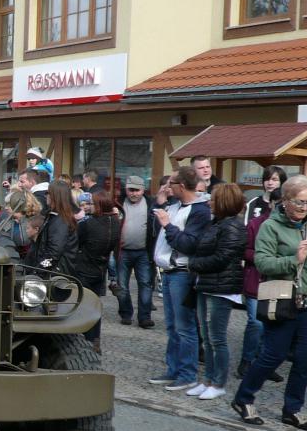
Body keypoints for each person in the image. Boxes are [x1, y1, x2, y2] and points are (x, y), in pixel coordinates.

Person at [233, 175, 307, 431]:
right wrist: (295, 259)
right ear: (286, 201)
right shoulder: (271, 227)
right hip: (283, 298)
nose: (304, 207)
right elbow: (263, 263)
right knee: (274, 355)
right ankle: (243, 398)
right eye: (299, 202)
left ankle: (292, 409)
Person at [147, 166, 212, 392]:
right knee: (172, 326)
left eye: (171, 183)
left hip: (183, 274)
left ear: (182, 186)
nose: (167, 186)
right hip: (168, 273)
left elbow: (188, 244)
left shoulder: (200, 211)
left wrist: (167, 224)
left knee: (185, 327)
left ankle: (187, 374)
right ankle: (173, 369)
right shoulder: (175, 205)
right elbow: (156, 229)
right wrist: (160, 203)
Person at [186, 184, 248, 401]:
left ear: (223, 202)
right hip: (207, 284)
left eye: (213, 199)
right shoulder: (217, 223)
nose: (209, 202)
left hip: (221, 287)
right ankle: (208, 379)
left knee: (217, 338)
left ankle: (218, 382)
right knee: (207, 336)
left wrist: (193, 264)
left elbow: (222, 258)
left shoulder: (233, 227)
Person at [240, 166, 287, 380]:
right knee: (256, 322)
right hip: (255, 278)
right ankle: (247, 360)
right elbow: (245, 248)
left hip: (278, 280)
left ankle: (264, 363)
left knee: (272, 323)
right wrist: (264, 257)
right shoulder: (256, 222)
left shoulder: (291, 226)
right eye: (267, 179)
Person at [75, 188, 120, 352]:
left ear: (100, 205)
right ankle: (95, 340)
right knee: (95, 305)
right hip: (101, 269)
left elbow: (76, 242)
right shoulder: (115, 222)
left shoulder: (88, 224)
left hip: (84, 268)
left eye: (92, 203)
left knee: (82, 305)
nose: (89, 206)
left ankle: (83, 341)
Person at [116, 176, 157, 328]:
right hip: (122, 252)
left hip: (143, 252)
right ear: (126, 189)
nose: (133, 193)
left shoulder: (151, 204)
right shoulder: (118, 203)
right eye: (130, 190)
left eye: (137, 190)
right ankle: (126, 313)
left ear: (143, 190)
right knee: (122, 285)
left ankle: (144, 317)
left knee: (145, 284)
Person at [24, 181, 79, 275]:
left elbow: (54, 253)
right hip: (50, 272)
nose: (45, 195)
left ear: (55, 196)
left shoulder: (60, 220)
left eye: (48, 193)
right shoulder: (53, 216)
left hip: (55, 275)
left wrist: (38, 270)